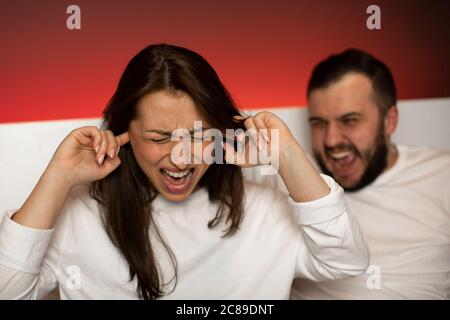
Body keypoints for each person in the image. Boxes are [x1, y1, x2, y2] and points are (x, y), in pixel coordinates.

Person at [0, 44, 368, 300]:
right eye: (159, 137)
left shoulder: (267, 208)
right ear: (124, 133)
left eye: (196, 137)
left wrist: (287, 155)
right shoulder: (79, 215)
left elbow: (347, 260)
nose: (179, 158)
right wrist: (58, 177)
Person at [291, 49, 450, 299]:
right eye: (319, 123)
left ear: (389, 121)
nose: (331, 140)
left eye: (349, 120)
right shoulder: (288, 179)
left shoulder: (442, 174)